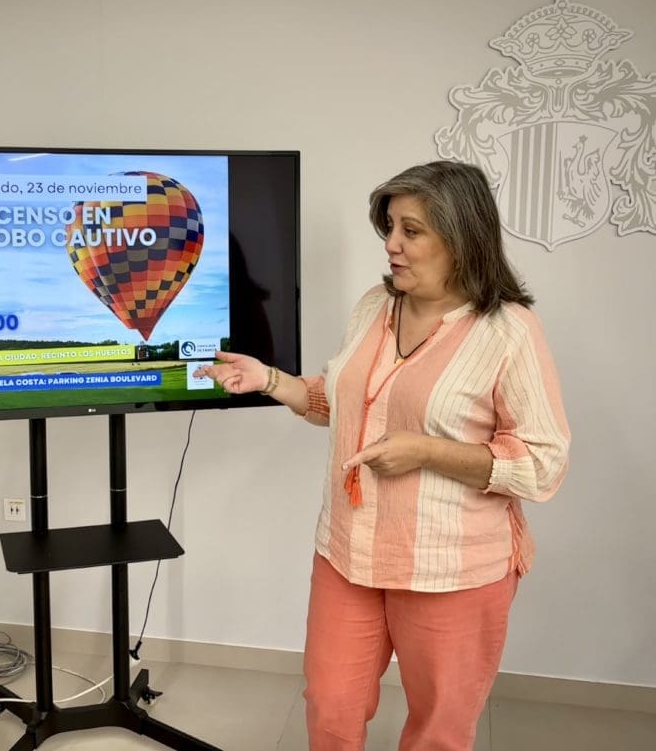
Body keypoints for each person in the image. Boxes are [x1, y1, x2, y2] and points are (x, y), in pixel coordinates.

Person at [195, 161, 569, 751]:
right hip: (348, 551)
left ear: (461, 238)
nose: (391, 244)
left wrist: (428, 452)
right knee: (330, 707)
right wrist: (268, 379)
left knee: (438, 730)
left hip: (450, 569)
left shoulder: (508, 330)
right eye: (390, 227)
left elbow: (542, 462)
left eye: (411, 231)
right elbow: (345, 404)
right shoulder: (374, 305)